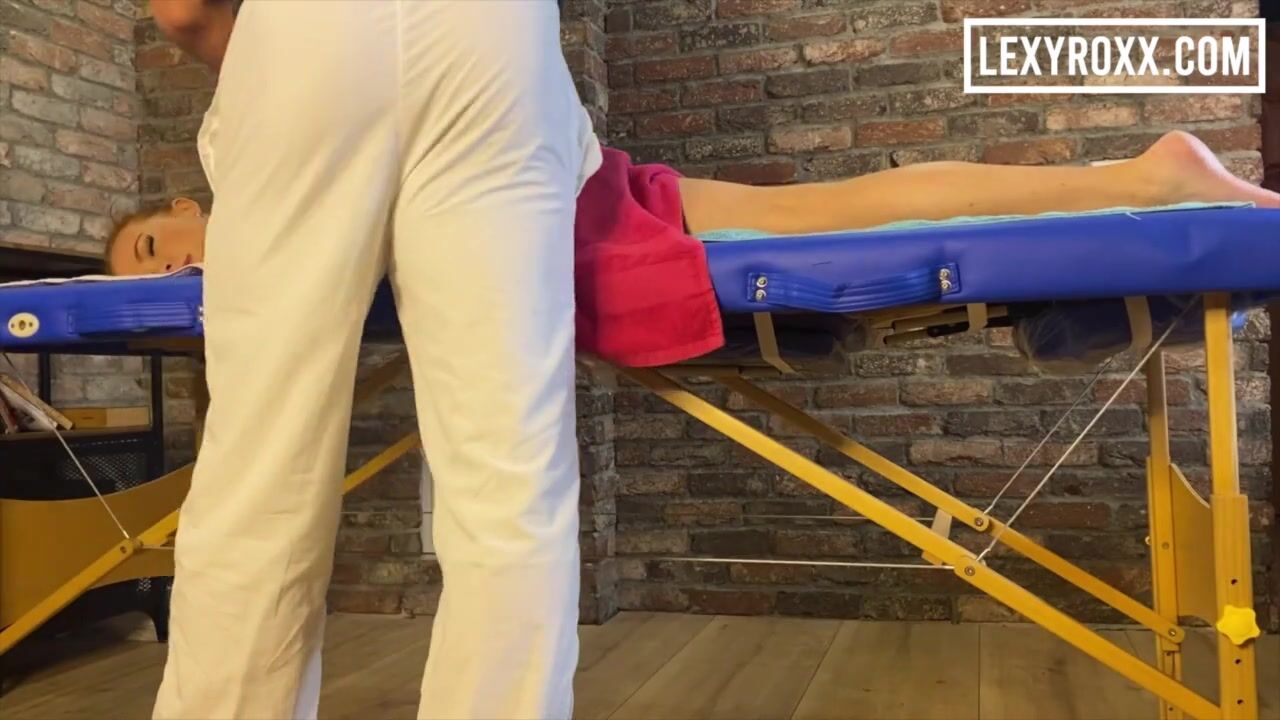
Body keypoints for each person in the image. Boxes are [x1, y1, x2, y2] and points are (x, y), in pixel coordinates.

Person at [146, 1, 596, 719]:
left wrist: (280, 52)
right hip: (495, 40)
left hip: (304, 34)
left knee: (260, 470)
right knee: (509, 474)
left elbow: (184, 10)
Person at [108, 128, 1280, 367]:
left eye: (153, 242)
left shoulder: (262, 167)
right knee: (843, 204)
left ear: (180, 200)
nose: (167, 269)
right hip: (578, 203)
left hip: (585, 212)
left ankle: (1144, 179)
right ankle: (1140, 179)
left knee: (844, 212)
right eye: (150, 277)